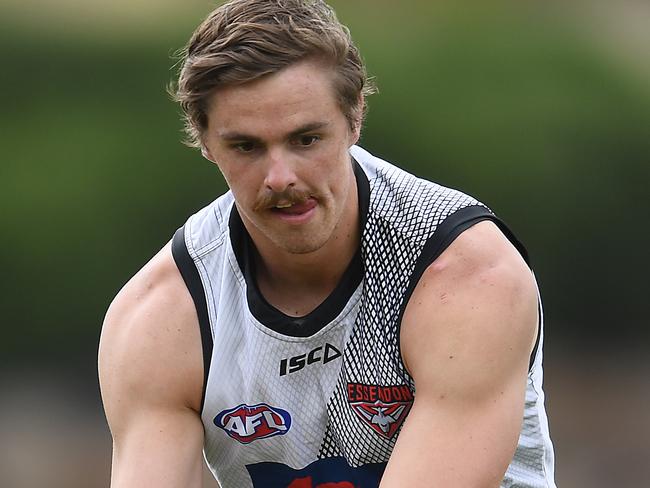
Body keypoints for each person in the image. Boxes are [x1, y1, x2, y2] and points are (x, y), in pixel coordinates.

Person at [98, 1, 556, 487]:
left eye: (306, 139)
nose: (280, 177)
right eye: (246, 147)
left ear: (355, 116)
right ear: (206, 143)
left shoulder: (466, 274)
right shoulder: (162, 317)